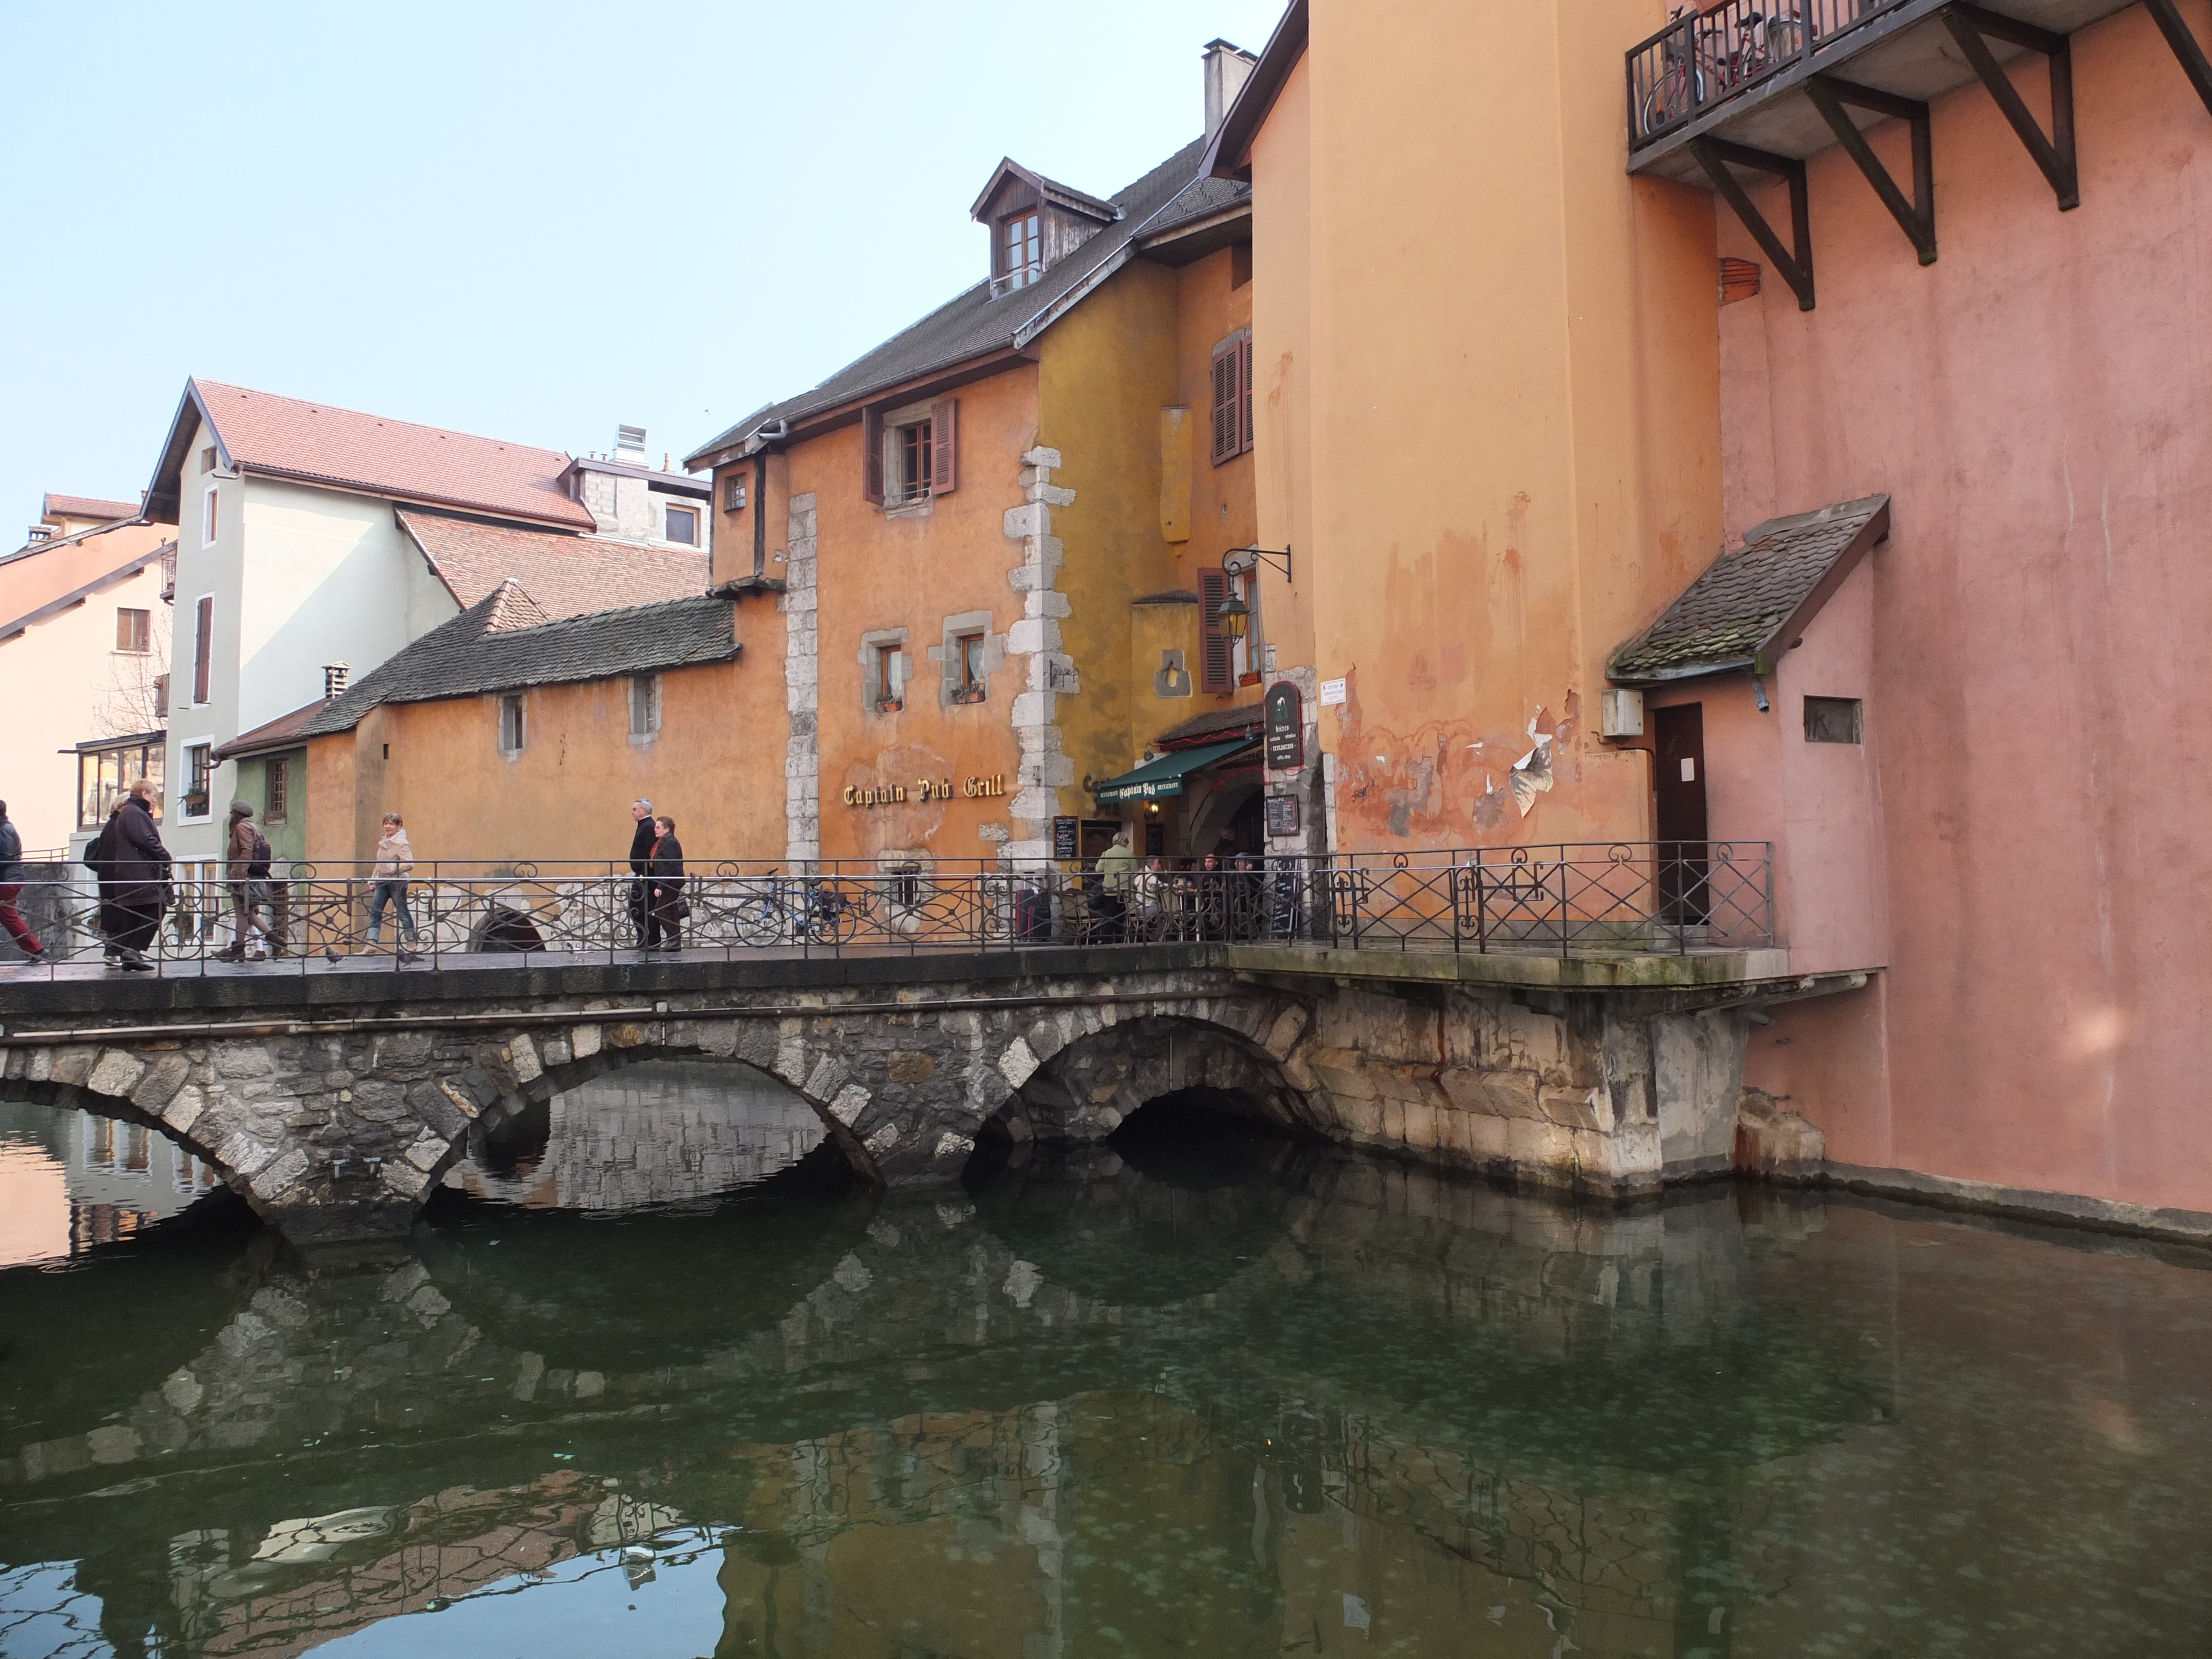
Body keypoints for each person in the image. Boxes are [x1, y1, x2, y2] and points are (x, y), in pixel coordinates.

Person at [107, 779, 171, 972]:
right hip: (139, 874)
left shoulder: (131, 811)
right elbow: (145, 839)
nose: (155, 801)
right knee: (156, 908)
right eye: (154, 796)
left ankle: (129, 955)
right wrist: (165, 856)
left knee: (135, 914)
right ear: (145, 794)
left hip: (132, 874)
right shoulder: (134, 812)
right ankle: (132, 951)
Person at [213, 801, 278, 963]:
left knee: (242, 914)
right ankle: (274, 939)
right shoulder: (255, 828)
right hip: (252, 877)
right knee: (248, 914)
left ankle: (238, 950)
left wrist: (238, 876)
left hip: (243, 878)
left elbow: (247, 852)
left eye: (232, 814)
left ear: (235, 815)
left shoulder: (242, 828)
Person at [367, 813, 422, 962]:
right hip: (382, 882)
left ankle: (411, 944)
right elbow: (379, 865)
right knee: (376, 911)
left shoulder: (401, 843)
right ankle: (371, 944)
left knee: (402, 912)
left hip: (397, 882)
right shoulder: (383, 843)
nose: (387, 827)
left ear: (399, 826)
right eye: (385, 824)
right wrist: (373, 880)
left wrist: (394, 869)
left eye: (391, 824)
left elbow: (410, 864)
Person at [0, 800, 46, 963]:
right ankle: (36, 950)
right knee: (8, 917)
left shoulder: (4, 830)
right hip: (10, 879)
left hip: (7, 880)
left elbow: (6, 857)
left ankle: (37, 950)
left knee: (9, 916)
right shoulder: (6, 828)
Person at [644, 815, 686, 951]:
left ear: (667, 829)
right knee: (671, 910)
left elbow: (671, 866)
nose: (655, 830)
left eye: (658, 827)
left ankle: (674, 939)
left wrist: (661, 886)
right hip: (670, 881)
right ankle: (674, 941)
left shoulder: (669, 843)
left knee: (661, 910)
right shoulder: (663, 842)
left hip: (671, 883)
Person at [1092, 826, 1135, 942]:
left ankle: (1106, 939)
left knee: (1110, 914)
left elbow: (1098, 869)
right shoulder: (1129, 854)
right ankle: (1120, 938)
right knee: (1121, 915)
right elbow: (1135, 871)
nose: (1128, 843)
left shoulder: (1107, 853)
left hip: (1110, 888)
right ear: (1123, 841)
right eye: (1127, 841)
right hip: (1125, 890)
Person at [625, 799, 655, 947]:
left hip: (645, 877)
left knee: (641, 908)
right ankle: (643, 939)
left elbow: (652, 853)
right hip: (641, 875)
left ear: (643, 811)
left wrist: (647, 872)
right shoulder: (644, 826)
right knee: (637, 908)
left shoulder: (649, 827)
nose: (632, 812)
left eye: (635, 809)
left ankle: (648, 940)